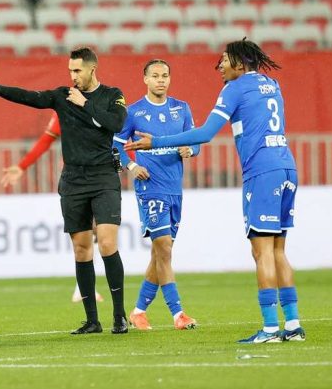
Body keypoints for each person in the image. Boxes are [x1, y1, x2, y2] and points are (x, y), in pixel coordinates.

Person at [126, 39, 304, 344]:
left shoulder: (235, 88)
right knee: (278, 251)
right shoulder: (272, 84)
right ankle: (293, 325)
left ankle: (271, 329)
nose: (219, 66)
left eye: (223, 61)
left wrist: (154, 142)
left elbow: (206, 133)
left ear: (238, 62)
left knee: (260, 251)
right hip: (287, 167)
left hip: (261, 171)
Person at [0, 48, 129, 335]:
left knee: (107, 243)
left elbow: (116, 124)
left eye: (77, 71)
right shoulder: (62, 96)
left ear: (92, 69)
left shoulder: (112, 95)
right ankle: (92, 321)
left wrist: (85, 104)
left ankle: (120, 316)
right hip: (73, 180)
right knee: (82, 248)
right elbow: (30, 97)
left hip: (104, 177)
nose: (72, 76)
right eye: (70, 71)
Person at [112, 60, 199, 331]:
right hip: (150, 188)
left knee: (159, 255)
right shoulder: (134, 112)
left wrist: (191, 150)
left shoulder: (181, 108)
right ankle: (178, 314)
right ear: (145, 80)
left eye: (165, 76)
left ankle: (138, 311)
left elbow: (195, 140)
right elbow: (114, 144)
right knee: (164, 249)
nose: (160, 80)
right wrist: (132, 165)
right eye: (155, 76)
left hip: (175, 188)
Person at [0, 111, 104, 304]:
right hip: (75, 180)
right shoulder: (65, 109)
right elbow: (46, 141)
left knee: (97, 232)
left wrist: (133, 164)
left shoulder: (102, 104)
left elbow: (120, 138)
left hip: (101, 176)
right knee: (84, 233)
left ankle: (83, 288)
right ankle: (83, 288)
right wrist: (22, 166)